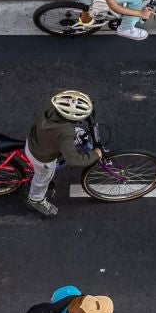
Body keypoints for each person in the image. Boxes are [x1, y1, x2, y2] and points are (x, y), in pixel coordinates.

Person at [25, 90, 102, 218]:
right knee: (43, 179)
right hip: (42, 157)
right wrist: (95, 155)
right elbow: (73, 159)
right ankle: (36, 199)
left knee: (79, 134)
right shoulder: (66, 133)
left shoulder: (55, 102)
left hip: (37, 138)